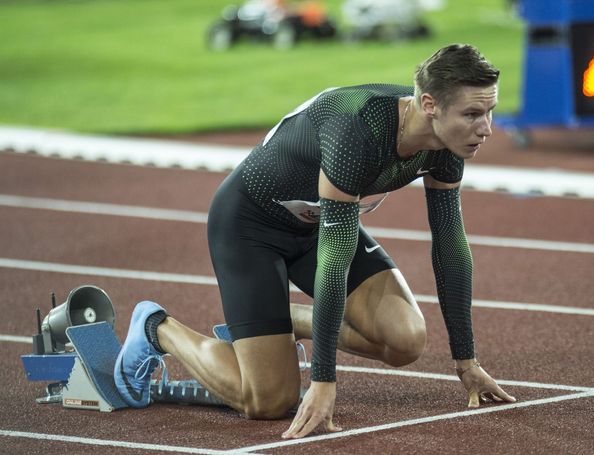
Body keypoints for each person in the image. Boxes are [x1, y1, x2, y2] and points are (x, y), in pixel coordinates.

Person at [114, 43, 516, 439]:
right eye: (473, 114)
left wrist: (467, 362)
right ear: (430, 105)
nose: (486, 128)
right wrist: (324, 381)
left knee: (404, 339)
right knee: (268, 402)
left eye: (489, 111)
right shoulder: (357, 130)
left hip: (315, 227)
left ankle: (281, 321)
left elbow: (449, 244)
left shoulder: (447, 143)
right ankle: (157, 328)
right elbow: (335, 258)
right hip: (250, 227)